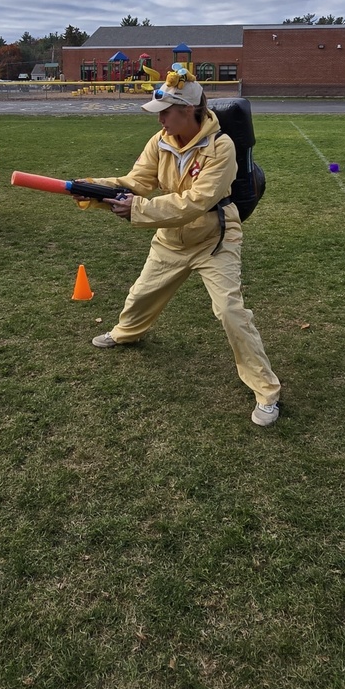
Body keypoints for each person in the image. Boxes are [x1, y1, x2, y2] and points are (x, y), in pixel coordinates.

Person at [83, 65, 281, 428]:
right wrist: (93, 188)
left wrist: (138, 210)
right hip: (171, 240)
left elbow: (196, 202)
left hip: (214, 238)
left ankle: (267, 391)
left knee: (230, 312)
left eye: (166, 114)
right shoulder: (159, 142)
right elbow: (135, 181)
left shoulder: (221, 147)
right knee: (141, 294)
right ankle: (126, 334)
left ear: (189, 111)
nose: (160, 121)